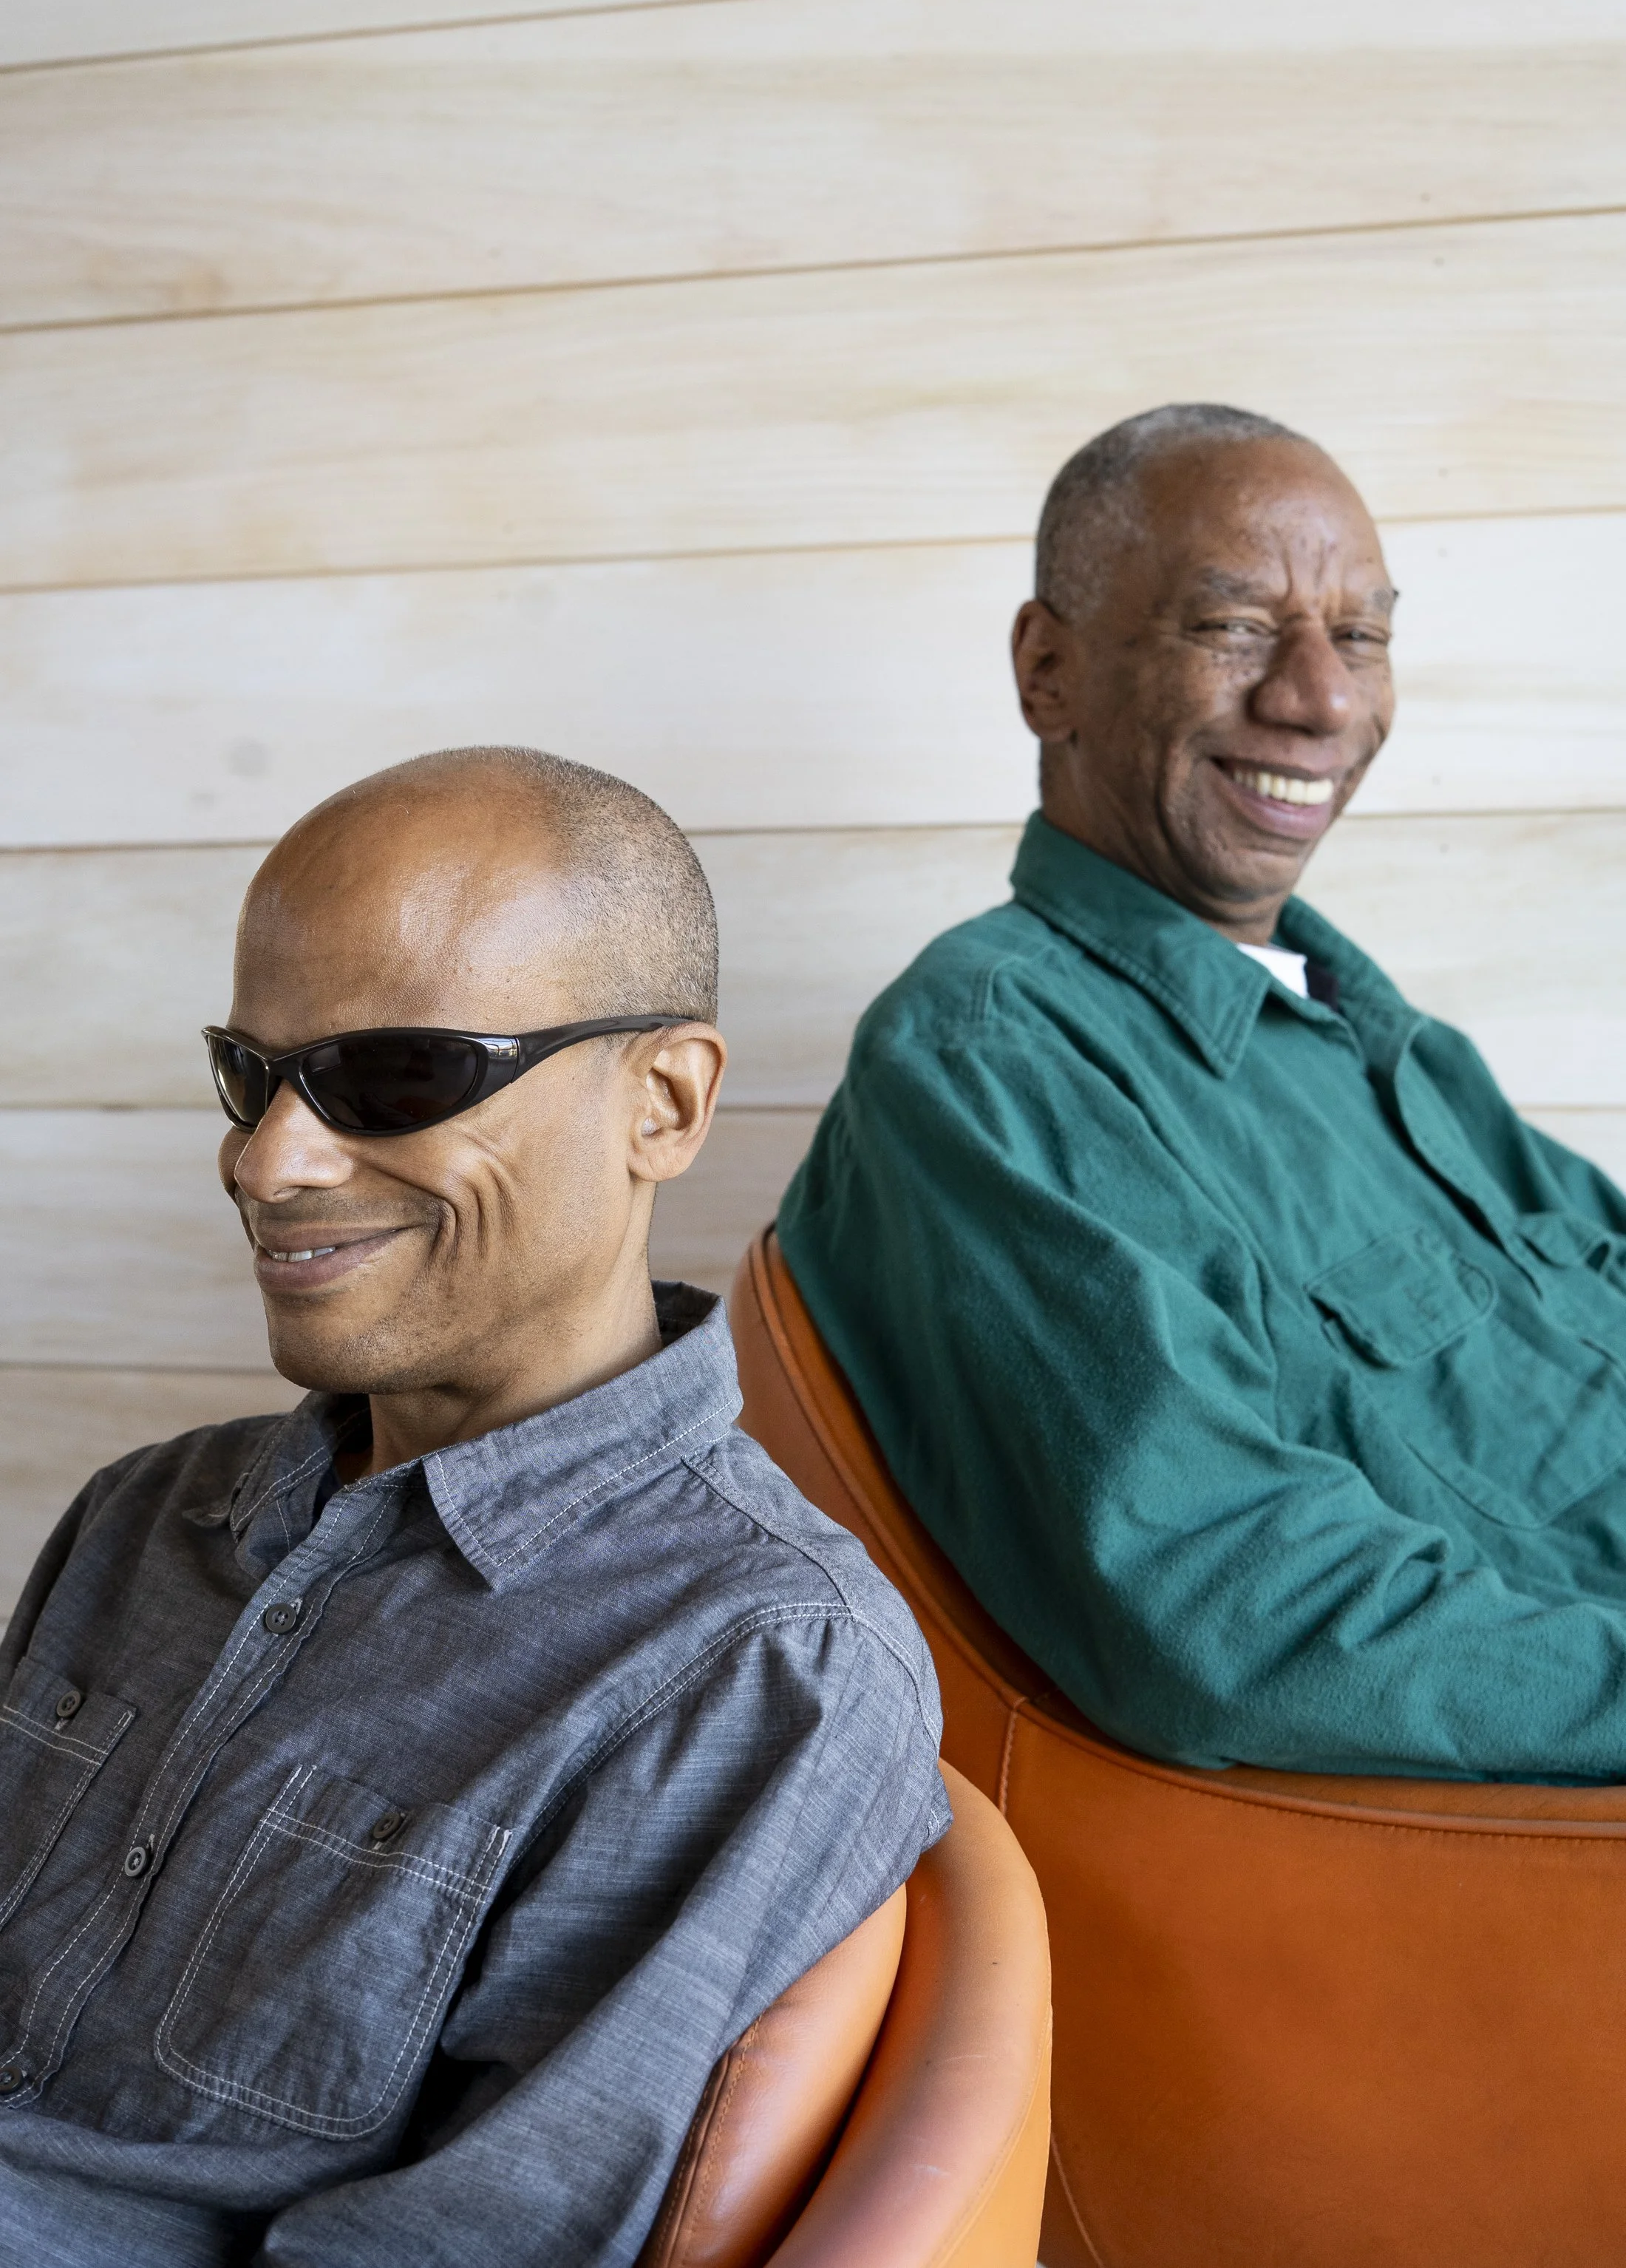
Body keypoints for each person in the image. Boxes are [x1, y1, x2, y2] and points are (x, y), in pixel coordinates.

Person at [0, 748, 947, 2267]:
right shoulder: (145, 1513)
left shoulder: (757, 1667)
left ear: (663, 1103)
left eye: (397, 1077)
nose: (267, 1161)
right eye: (250, 1076)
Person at [779, 401, 1626, 1782]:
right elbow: (1230, 1601)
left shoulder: (1375, 1031)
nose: (1322, 699)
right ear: (1049, 672)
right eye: (1235, 626)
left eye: (1360, 637)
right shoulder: (994, 1058)